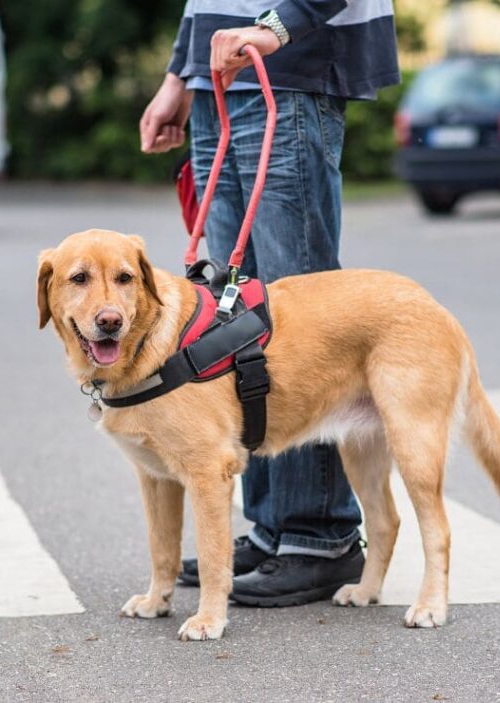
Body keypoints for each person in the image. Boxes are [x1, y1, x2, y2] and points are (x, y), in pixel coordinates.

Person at [139, 1, 400, 607]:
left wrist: (275, 27)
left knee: (303, 319)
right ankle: (273, 524)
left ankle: (319, 535)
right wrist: (180, 76)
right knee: (232, 320)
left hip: (289, 69)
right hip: (217, 79)